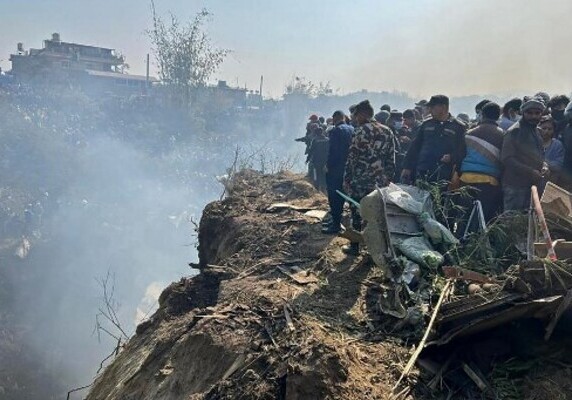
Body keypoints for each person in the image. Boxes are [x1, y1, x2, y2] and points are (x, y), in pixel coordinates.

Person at [343, 100, 395, 255]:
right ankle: (379, 250)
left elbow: (352, 157)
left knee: (357, 212)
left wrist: (347, 178)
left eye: (356, 115)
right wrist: (388, 178)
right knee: (378, 215)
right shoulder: (387, 131)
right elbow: (391, 158)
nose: (354, 118)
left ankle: (355, 247)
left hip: (360, 180)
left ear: (362, 114)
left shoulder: (360, 131)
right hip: (380, 182)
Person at [401, 95, 467, 185]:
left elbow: (462, 150)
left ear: (443, 107)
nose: (429, 110)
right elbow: (415, 146)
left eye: (432, 107)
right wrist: (407, 167)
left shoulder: (458, 127)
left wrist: (452, 157)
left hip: (444, 175)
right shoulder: (426, 124)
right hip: (423, 171)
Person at [458, 102, 504, 223]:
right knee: (483, 217)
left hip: (466, 178)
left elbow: (460, 156)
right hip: (489, 182)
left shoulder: (469, 133)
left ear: (482, 115)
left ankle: (460, 239)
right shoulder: (503, 135)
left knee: (464, 216)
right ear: (498, 116)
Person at [501, 98, 546, 212]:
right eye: (529, 113)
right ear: (523, 113)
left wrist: (545, 167)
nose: (533, 116)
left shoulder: (538, 132)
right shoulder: (514, 131)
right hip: (515, 186)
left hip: (533, 187)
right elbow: (507, 159)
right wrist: (530, 172)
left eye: (537, 113)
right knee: (512, 223)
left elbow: (539, 156)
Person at [322, 111, 354, 234]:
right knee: (342, 195)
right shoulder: (352, 129)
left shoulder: (336, 131)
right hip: (348, 169)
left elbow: (333, 152)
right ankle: (336, 221)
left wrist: (328, 166)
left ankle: (336, 224)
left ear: (335, 119)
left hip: (336, 169)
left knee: (334, 196)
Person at [538, 116, 564, 188]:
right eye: (544, 128)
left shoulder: (557, 145)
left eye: (550, 129)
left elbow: (558, 165)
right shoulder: (532, 142)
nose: (546, 131)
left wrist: (546, 165)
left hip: (549, 183)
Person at [307, 127, 329, 192]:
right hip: (325, 160)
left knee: (316, 174)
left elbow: (311, 150)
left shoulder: (315, 140)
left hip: (317, 160)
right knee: (324, 174)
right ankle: (324, 188)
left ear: (316, 133)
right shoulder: (327, 139)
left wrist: (308, 159)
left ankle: (317, 188)